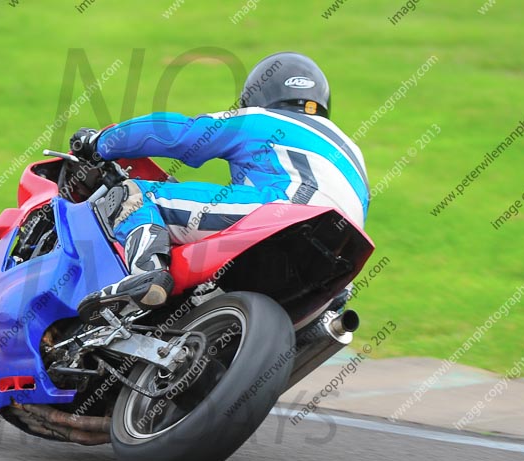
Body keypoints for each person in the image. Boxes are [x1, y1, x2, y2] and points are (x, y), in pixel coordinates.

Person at [70, 52, 370, 324]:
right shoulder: (353, 152)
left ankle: (148, 274)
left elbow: (179, 135)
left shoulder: (261, 119)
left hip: (282, 214)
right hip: (336, 267)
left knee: (136, 195)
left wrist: (101, 141)